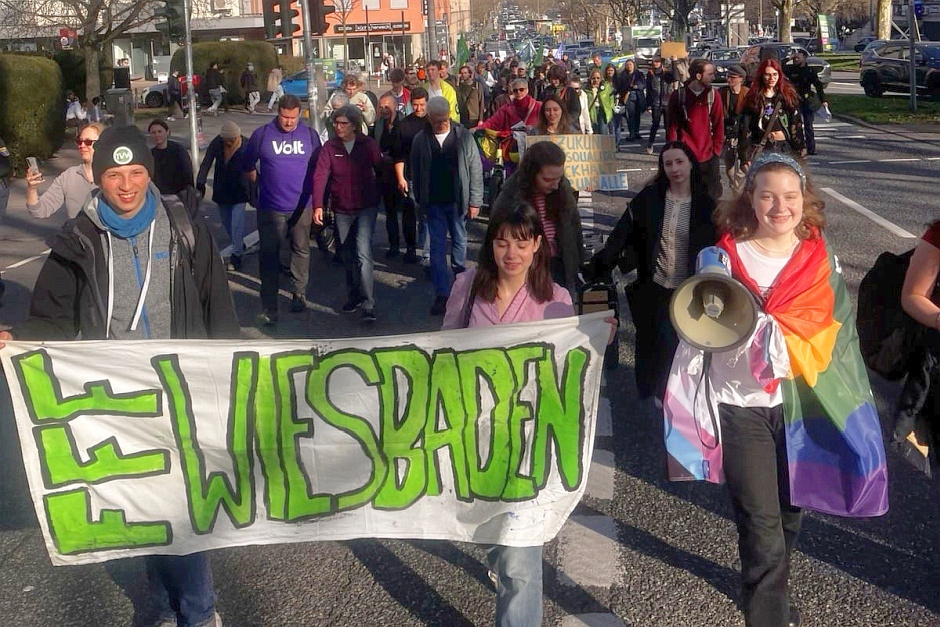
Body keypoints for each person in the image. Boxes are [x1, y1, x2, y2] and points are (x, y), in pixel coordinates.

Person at [0, 125, 235, 627]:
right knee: (140, 505)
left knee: (180, 506)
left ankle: (198, 612)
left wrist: (228, 378)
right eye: (113, 174)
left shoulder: (182, 227)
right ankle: (164, 602)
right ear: (97, 179)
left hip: (181, 391)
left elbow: (218, 307)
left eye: (135, 173)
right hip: (118, 401)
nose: (126, 185)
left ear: (149, 173)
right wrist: (18, 343)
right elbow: (52, 319)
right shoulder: (78, 239)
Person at [667, 152, 888, 627]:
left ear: (803, 202)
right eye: (768, 195)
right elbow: (700, 327)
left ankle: (767, 588)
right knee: (760, 522)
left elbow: (838, 332)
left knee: (790, 514)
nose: (779, 206)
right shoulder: (723, 256)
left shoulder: (818, 260)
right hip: (739, 403)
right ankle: (768, 611)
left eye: (790, 196)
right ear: (751, 198)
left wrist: (850, 395)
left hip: (797, 404)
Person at [441, 202, 612, 627]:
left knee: (519, 556)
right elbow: (440, 352)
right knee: (490, 528)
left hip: (529, 445)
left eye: (521, 243)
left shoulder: (555, 299)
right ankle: (497, 550)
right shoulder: (466, 288)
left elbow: (568, 367)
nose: (510, 253)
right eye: (501, 243)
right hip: (473, 437)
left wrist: (595, 339)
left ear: (538, 244)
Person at [588, 141, 716, 400]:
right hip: (654, 284)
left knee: (676, 344)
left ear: (691, 163)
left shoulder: (706, 205)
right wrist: (597, 266)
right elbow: (621, 234)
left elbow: (720, 246)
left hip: (689, 290)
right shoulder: (649, 198)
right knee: (650, 341)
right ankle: (652, 392)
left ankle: (675, 395)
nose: (675, 169)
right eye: (668, 163)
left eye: (679, 162)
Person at [242, 94, 322, 325]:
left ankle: (299, 293)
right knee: (269, 256)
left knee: (301, 249)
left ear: (300, 115)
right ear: (277, 113)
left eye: (293, 118)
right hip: (270, 207)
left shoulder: (309, 135)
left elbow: (319, 168)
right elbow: (248, 165)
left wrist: (319, 200)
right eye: (284, 117)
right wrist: (257, 188)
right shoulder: (262, 135)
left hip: (302, 206)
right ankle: (269, 305)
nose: (288, 122)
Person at [409, 96, 483, 315]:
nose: (441, 124)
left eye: (444, 120)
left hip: (458, 201)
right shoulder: (420, 140)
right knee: (437, 250)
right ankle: (442, 294)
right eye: (436, 120)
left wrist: (475, 200)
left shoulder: (463, 136)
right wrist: (418, 201)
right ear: (429, 117)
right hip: (433, 203)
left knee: (460, 242)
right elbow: (414, 171)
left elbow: (475, 168)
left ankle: (461, 287)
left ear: (449, 115)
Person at [312, 105, 383, 322]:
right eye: (336, 123)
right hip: (341, 208)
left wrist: (380, 195)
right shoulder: (330, 148)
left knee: (363, 252)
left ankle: (369, 304)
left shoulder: (367, 145)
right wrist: (318, 205)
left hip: (365, 207)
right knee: (348, 254)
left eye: (343, 123)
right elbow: (320, 177)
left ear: (354, 125)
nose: (338, 127)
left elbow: (380, 169)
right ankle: (354, 296)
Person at [492, 141, 583, 292]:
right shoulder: (511, 195)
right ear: (532, 174)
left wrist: (578, 264)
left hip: (559, 267)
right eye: (547, 180)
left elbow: (575, 228)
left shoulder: (563, 189)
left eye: (559, 178)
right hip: (525, 269)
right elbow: (494, 237)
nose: (555, 185)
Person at [666, 59, 724, 202]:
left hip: (709, 156)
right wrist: (673, 151)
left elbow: (718, 125)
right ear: (698, 76)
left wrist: (716, 150)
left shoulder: (713, 95)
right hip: (685, 155)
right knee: (686, 196)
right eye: (710, 74)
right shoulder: (679, 96)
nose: (713, 78)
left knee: (711, 198)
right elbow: (672, 126)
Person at [197, 120, 252, 271]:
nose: (229, 143)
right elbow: (206, 163)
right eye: (226, 140)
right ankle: (239, 243)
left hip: (240, 190)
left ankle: (237, 255)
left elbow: (254, 168)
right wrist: (200, 183)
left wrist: (255, 190)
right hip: (222, 189)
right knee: (226, 222)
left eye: (232, 139)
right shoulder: (217, 143)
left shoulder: (246, 144)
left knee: (236, 223)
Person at [26, 123, 102, 219]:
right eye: (79, 141)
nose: (82, 146)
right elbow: (40, 211)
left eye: (88, 142)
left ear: (103, 143)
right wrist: (31, 188)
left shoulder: (116, 174)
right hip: (78, 233)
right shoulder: (69, 176)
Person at [739, 58, 804, 168]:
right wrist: (745, 157)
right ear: (761, 76)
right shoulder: (753, 98)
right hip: (763, 147)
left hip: (784, 146)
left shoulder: (787, 96)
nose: (771, 78)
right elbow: (745, 128)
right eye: (767, 75)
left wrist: (800, 147)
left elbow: (796, 123)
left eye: (775, 74)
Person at [391, 87, 430, 265]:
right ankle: (411, 248)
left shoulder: (434, 122)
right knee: (409, 214)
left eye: (422, 105)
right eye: (415, 105)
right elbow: (398, 155)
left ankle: (428, 251)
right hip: (411, 176)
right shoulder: (403, 125)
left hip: (431, 177)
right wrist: (401, 178)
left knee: (428, 216)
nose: (419, 108)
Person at [373, 93, 407, 259]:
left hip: (402, 172)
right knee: (390, 212)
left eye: (387, 106)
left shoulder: (403, 123)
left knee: (408, 212)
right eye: (381, 107)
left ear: (395, 106)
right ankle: (394, 245)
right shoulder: (378, 124)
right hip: (384, 173)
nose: (384, 110)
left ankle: (411, 248)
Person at [784, 51, 826, 156]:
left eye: (798, 57)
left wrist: (823, 100)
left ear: (805, 58)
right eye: (795, 58)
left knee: (808, 125)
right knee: (795, 124)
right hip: (794, 100)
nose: (796, 59)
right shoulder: (791, 69)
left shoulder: (810, 71)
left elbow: (818, 86)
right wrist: (789, 58)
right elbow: (780, 66)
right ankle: (798, 146)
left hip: (806, 101)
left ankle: (811, 148)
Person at [720, 65, 750, 190]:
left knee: (746, 164)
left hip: (744, 134)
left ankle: (742, 185)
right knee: (729, 168)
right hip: (728, 134)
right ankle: (733, 185)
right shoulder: (722, 93)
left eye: (732, 77)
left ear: (741, 79)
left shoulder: (747, 93)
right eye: (728, 77)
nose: (729, 80)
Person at [149, 119, 194, 196]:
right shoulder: (150, 154)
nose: (157, 135)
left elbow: (188, 174)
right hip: (158, 196)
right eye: (153, 133)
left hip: (179, 195)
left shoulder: (179, 150)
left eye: (160, 132)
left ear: (167, 132)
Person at [645, 56, 675, 154]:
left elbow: (675, 77)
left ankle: (668, 145)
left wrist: (674, 62)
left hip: (667, 103)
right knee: (655, 124)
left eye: (658, 61)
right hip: (656, 103)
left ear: (661, 62)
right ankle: (650, 143)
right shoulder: (651, 74)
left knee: (668, 126)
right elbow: (649, 90)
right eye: (654, 62)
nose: (656, 63)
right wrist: (648, 105)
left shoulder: (667, 73)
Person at [617, 59, 646, 143]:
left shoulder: (639, 74)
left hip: (638, 97)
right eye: (627, 65)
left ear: (634, 65)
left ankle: (636, 132)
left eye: (630, 64)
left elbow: (643, 84)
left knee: (637, 116)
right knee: (630, 116)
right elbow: (621, 86)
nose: (629, 66)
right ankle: (632, 133)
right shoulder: (623, 75)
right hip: (628, 98)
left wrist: (637, 86)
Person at [587, 68, 615, 136]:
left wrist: (611, 108)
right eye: (594, 78)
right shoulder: (587, 89)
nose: (596, 80)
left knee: (603, 131)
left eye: (598, 78)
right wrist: (593, 89)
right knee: (594, 131)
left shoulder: (606, 86)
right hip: (592, 110)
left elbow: (610, 97)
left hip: (603, 110)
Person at [457, 64, 485, 128]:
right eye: (462, 73)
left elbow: (481, 102)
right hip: (463, 116)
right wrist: (457, 82)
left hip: (474, 116)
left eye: (465, 73)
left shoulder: (477, 85)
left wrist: (481, 119)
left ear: (469, 74)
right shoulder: (460, 86)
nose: (464, 75)